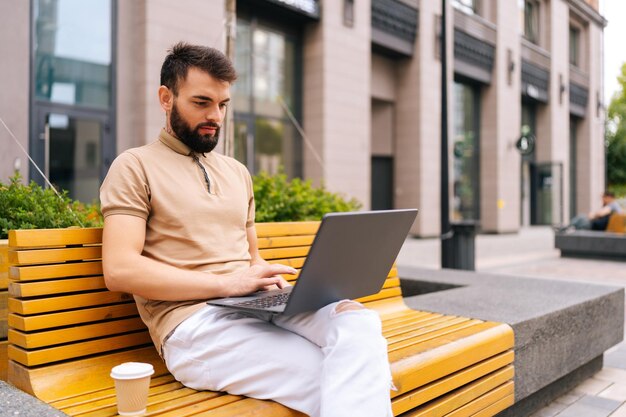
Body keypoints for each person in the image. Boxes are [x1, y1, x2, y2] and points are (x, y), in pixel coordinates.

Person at [100, 42, 394, 417]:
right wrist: (227, 285)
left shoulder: (236, 172)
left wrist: (289, 291)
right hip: (193, 327)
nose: (216, 116)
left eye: (222, 104)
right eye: (201, 102)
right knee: (340, 375)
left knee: (357, 322)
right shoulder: (134, 166)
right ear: (166, 98)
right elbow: (120, 269)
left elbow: (251, 257)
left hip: (252, 307)